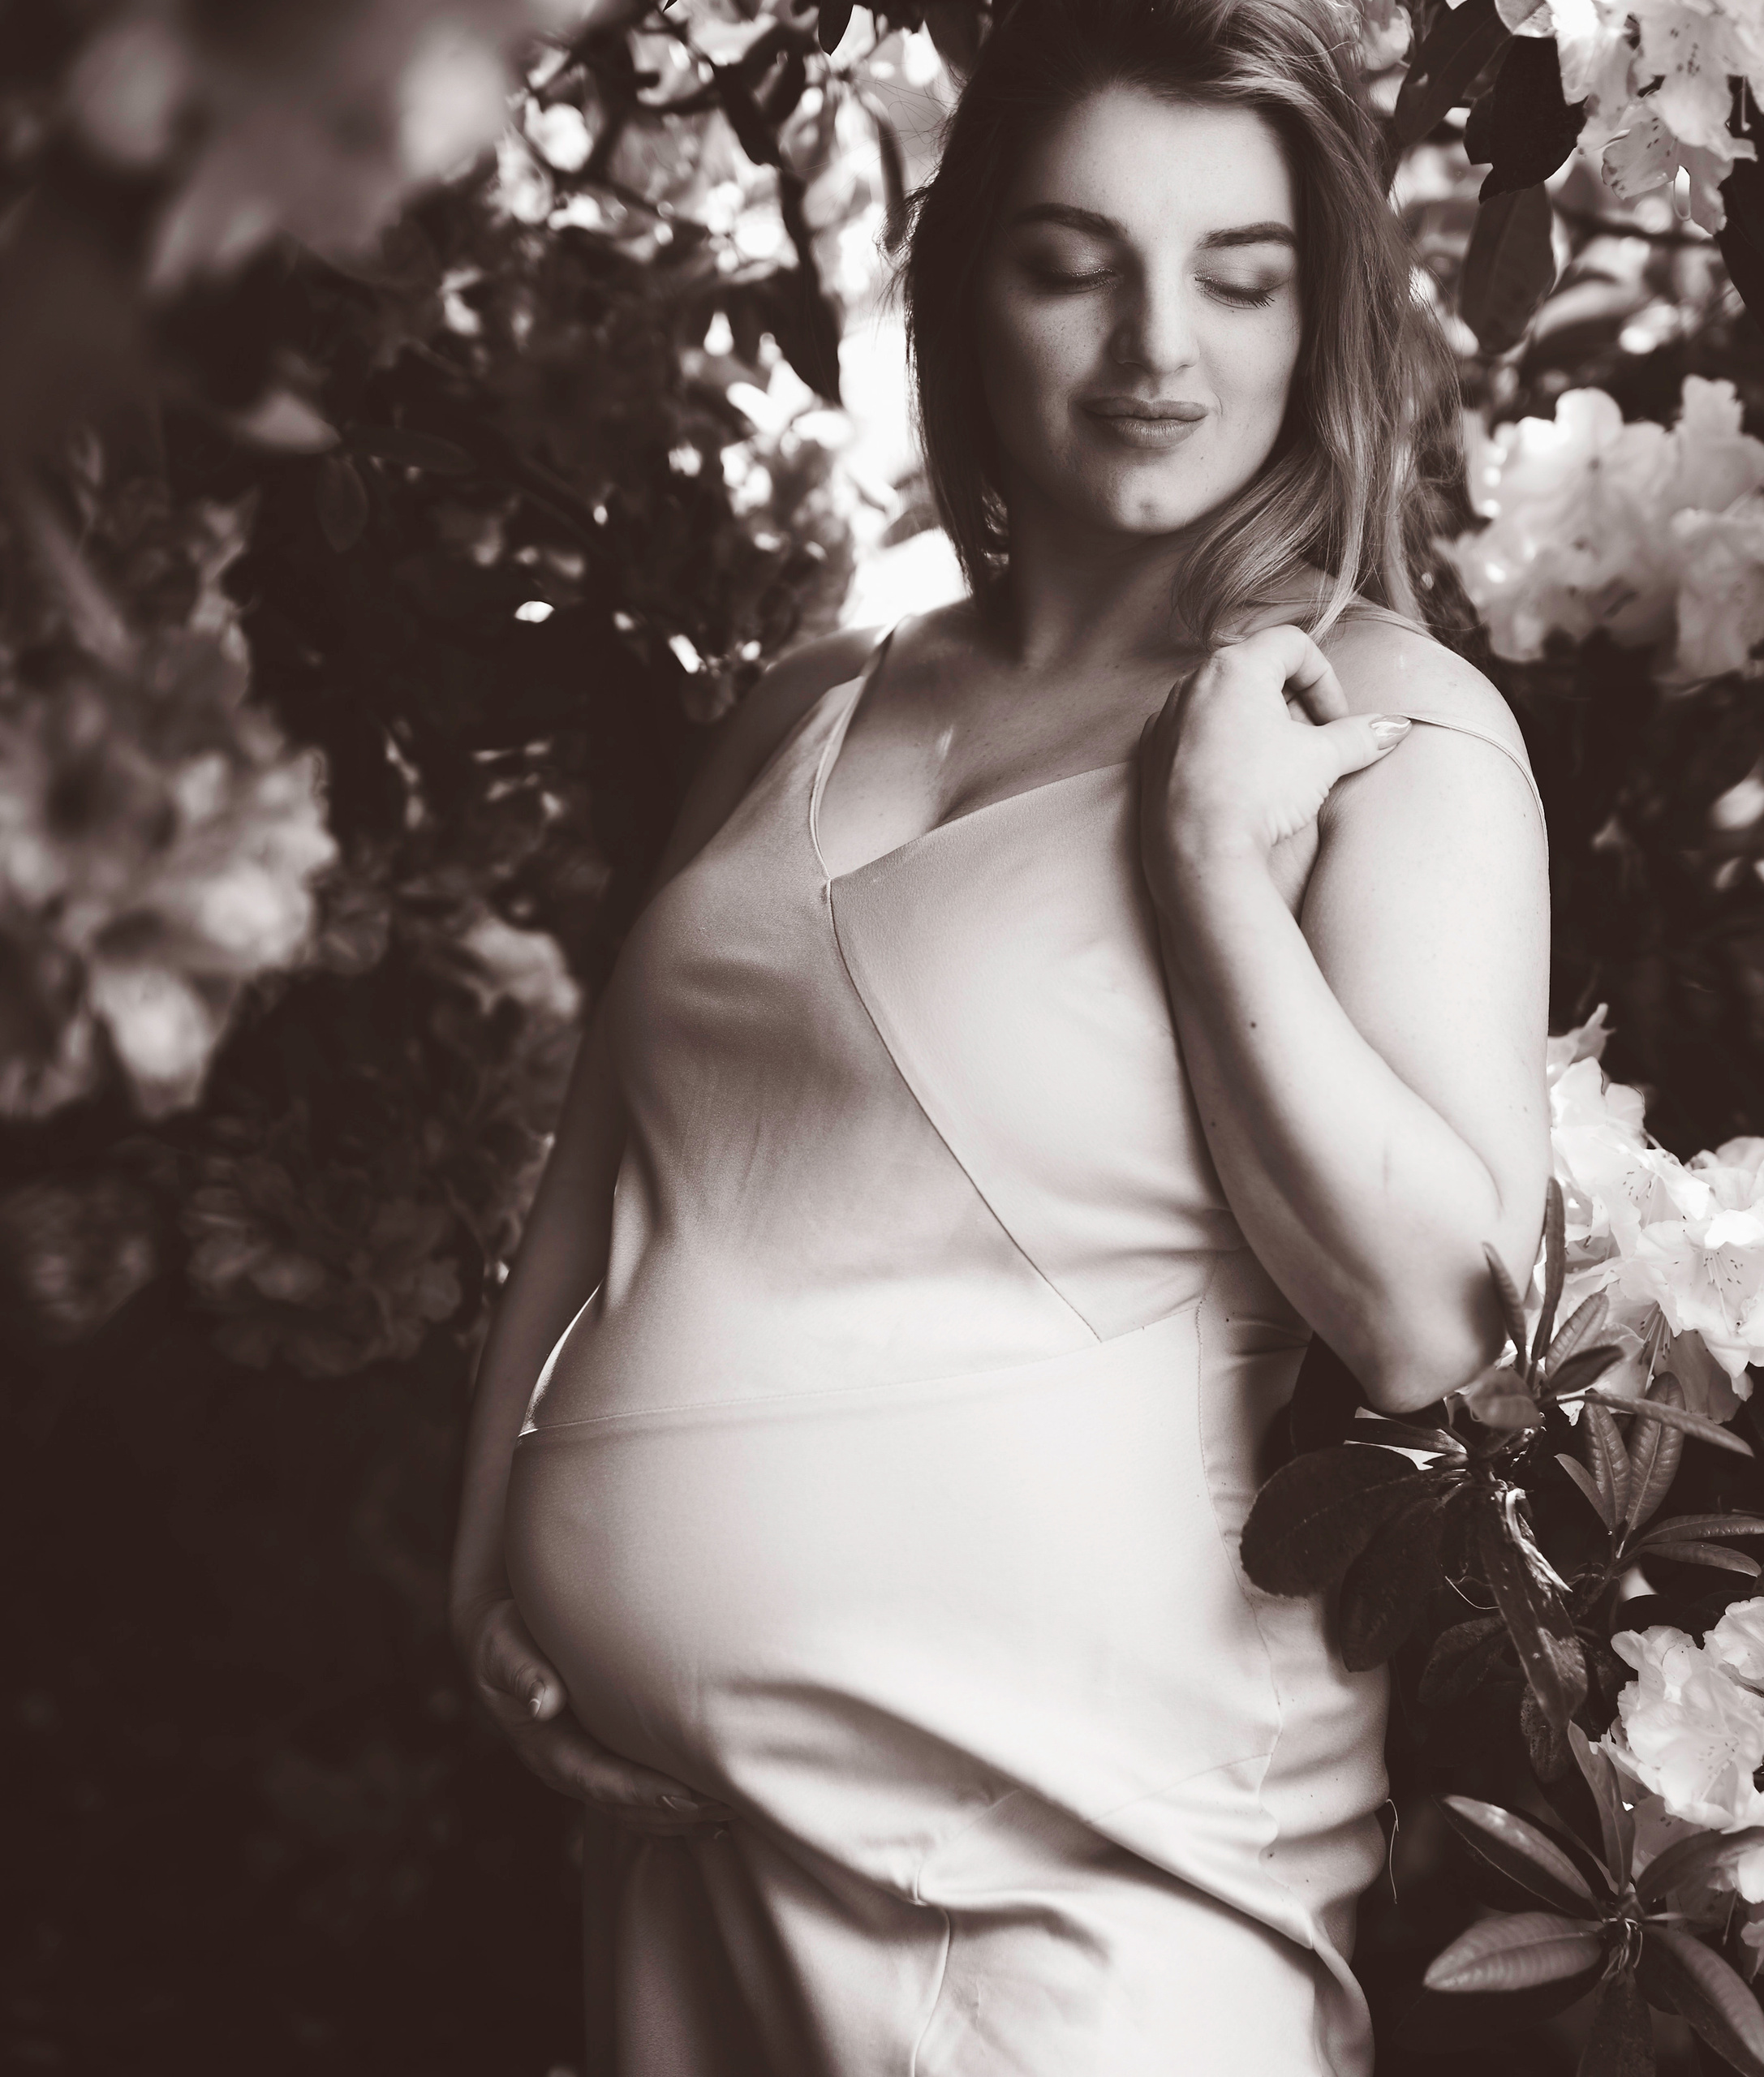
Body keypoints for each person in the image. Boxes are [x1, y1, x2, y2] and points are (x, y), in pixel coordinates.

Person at [447, 0, 1551, 2067]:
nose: (1158, 349)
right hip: (691, 1842)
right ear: (965, 299)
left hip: (1093, 1881)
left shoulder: (1386, 729)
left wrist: (1216, 860)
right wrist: (483, 1556)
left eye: (1236, 275)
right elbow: (611, 1152)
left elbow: (1436, 1319)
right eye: (1074, 263)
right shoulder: (814, 696)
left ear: (1320, 313)